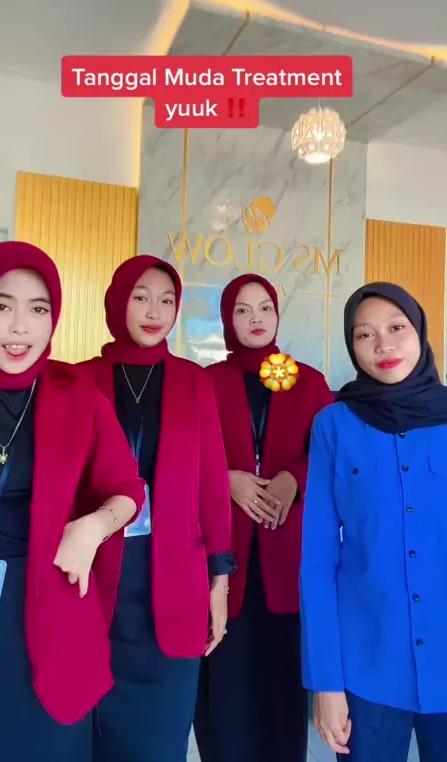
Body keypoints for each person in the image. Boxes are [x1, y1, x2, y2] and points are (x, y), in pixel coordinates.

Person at [0, 240, 145, 762]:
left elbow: (129, 491)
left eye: (38, 310)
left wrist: (93, 527)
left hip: (50, 613)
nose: (21, 327)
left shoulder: (77, 395)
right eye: (2, 306)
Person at [79, 254, 236, 762]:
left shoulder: (194, 381)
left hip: (176, 583)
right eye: (141, 298)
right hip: (95, 580)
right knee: (90, 735)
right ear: (117, 302)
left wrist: (220, 581)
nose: (154, 312)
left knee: (162, 740)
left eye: (167, 301)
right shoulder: (78, 381)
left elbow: (212, 484)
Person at [300, 282, 447, 762]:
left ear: (420, 331)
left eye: (396, 328)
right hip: (367, 667)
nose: (383, 345)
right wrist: (326, 683)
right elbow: (318, 561)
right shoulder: (333, 425)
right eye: (365, 334)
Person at [194, 274, 334, 762]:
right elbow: (184, 454)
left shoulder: (308, 381)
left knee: (281, 695)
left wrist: (295, 478)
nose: (255, 319)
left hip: (287, 560)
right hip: (222, 562)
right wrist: (226, 479)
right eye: (242, 310)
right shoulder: (206, 382)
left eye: (265, 308)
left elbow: (331, 452)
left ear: (277, 314)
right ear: (227, 319)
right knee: (226, 696)